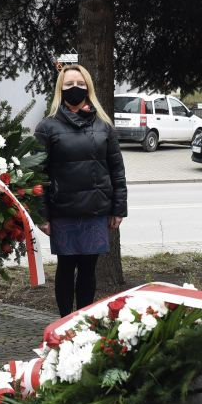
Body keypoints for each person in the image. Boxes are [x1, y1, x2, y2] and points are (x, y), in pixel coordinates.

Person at [34, 64, 128, 317]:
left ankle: (83, 324)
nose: (75, 89)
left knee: (88, 269)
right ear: (59, 90)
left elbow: (117, 170)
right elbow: (36, 174)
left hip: (96, 210)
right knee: (66, 267)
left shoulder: (104, 125)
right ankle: (63, 323)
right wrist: (41, 215)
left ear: (88, 87)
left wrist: (118, 208)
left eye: (80, 84)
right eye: (68, 85)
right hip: (63, 211)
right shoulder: (47, 126)